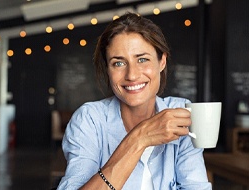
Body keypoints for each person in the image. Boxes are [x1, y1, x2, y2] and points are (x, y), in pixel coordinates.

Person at [56, 12, 211, 190]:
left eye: (142, 59)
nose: (132, 75)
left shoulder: (181, 113)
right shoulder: (89, 120)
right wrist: (139, 139)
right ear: (108, 69)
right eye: (118, 63)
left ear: (162, 62)